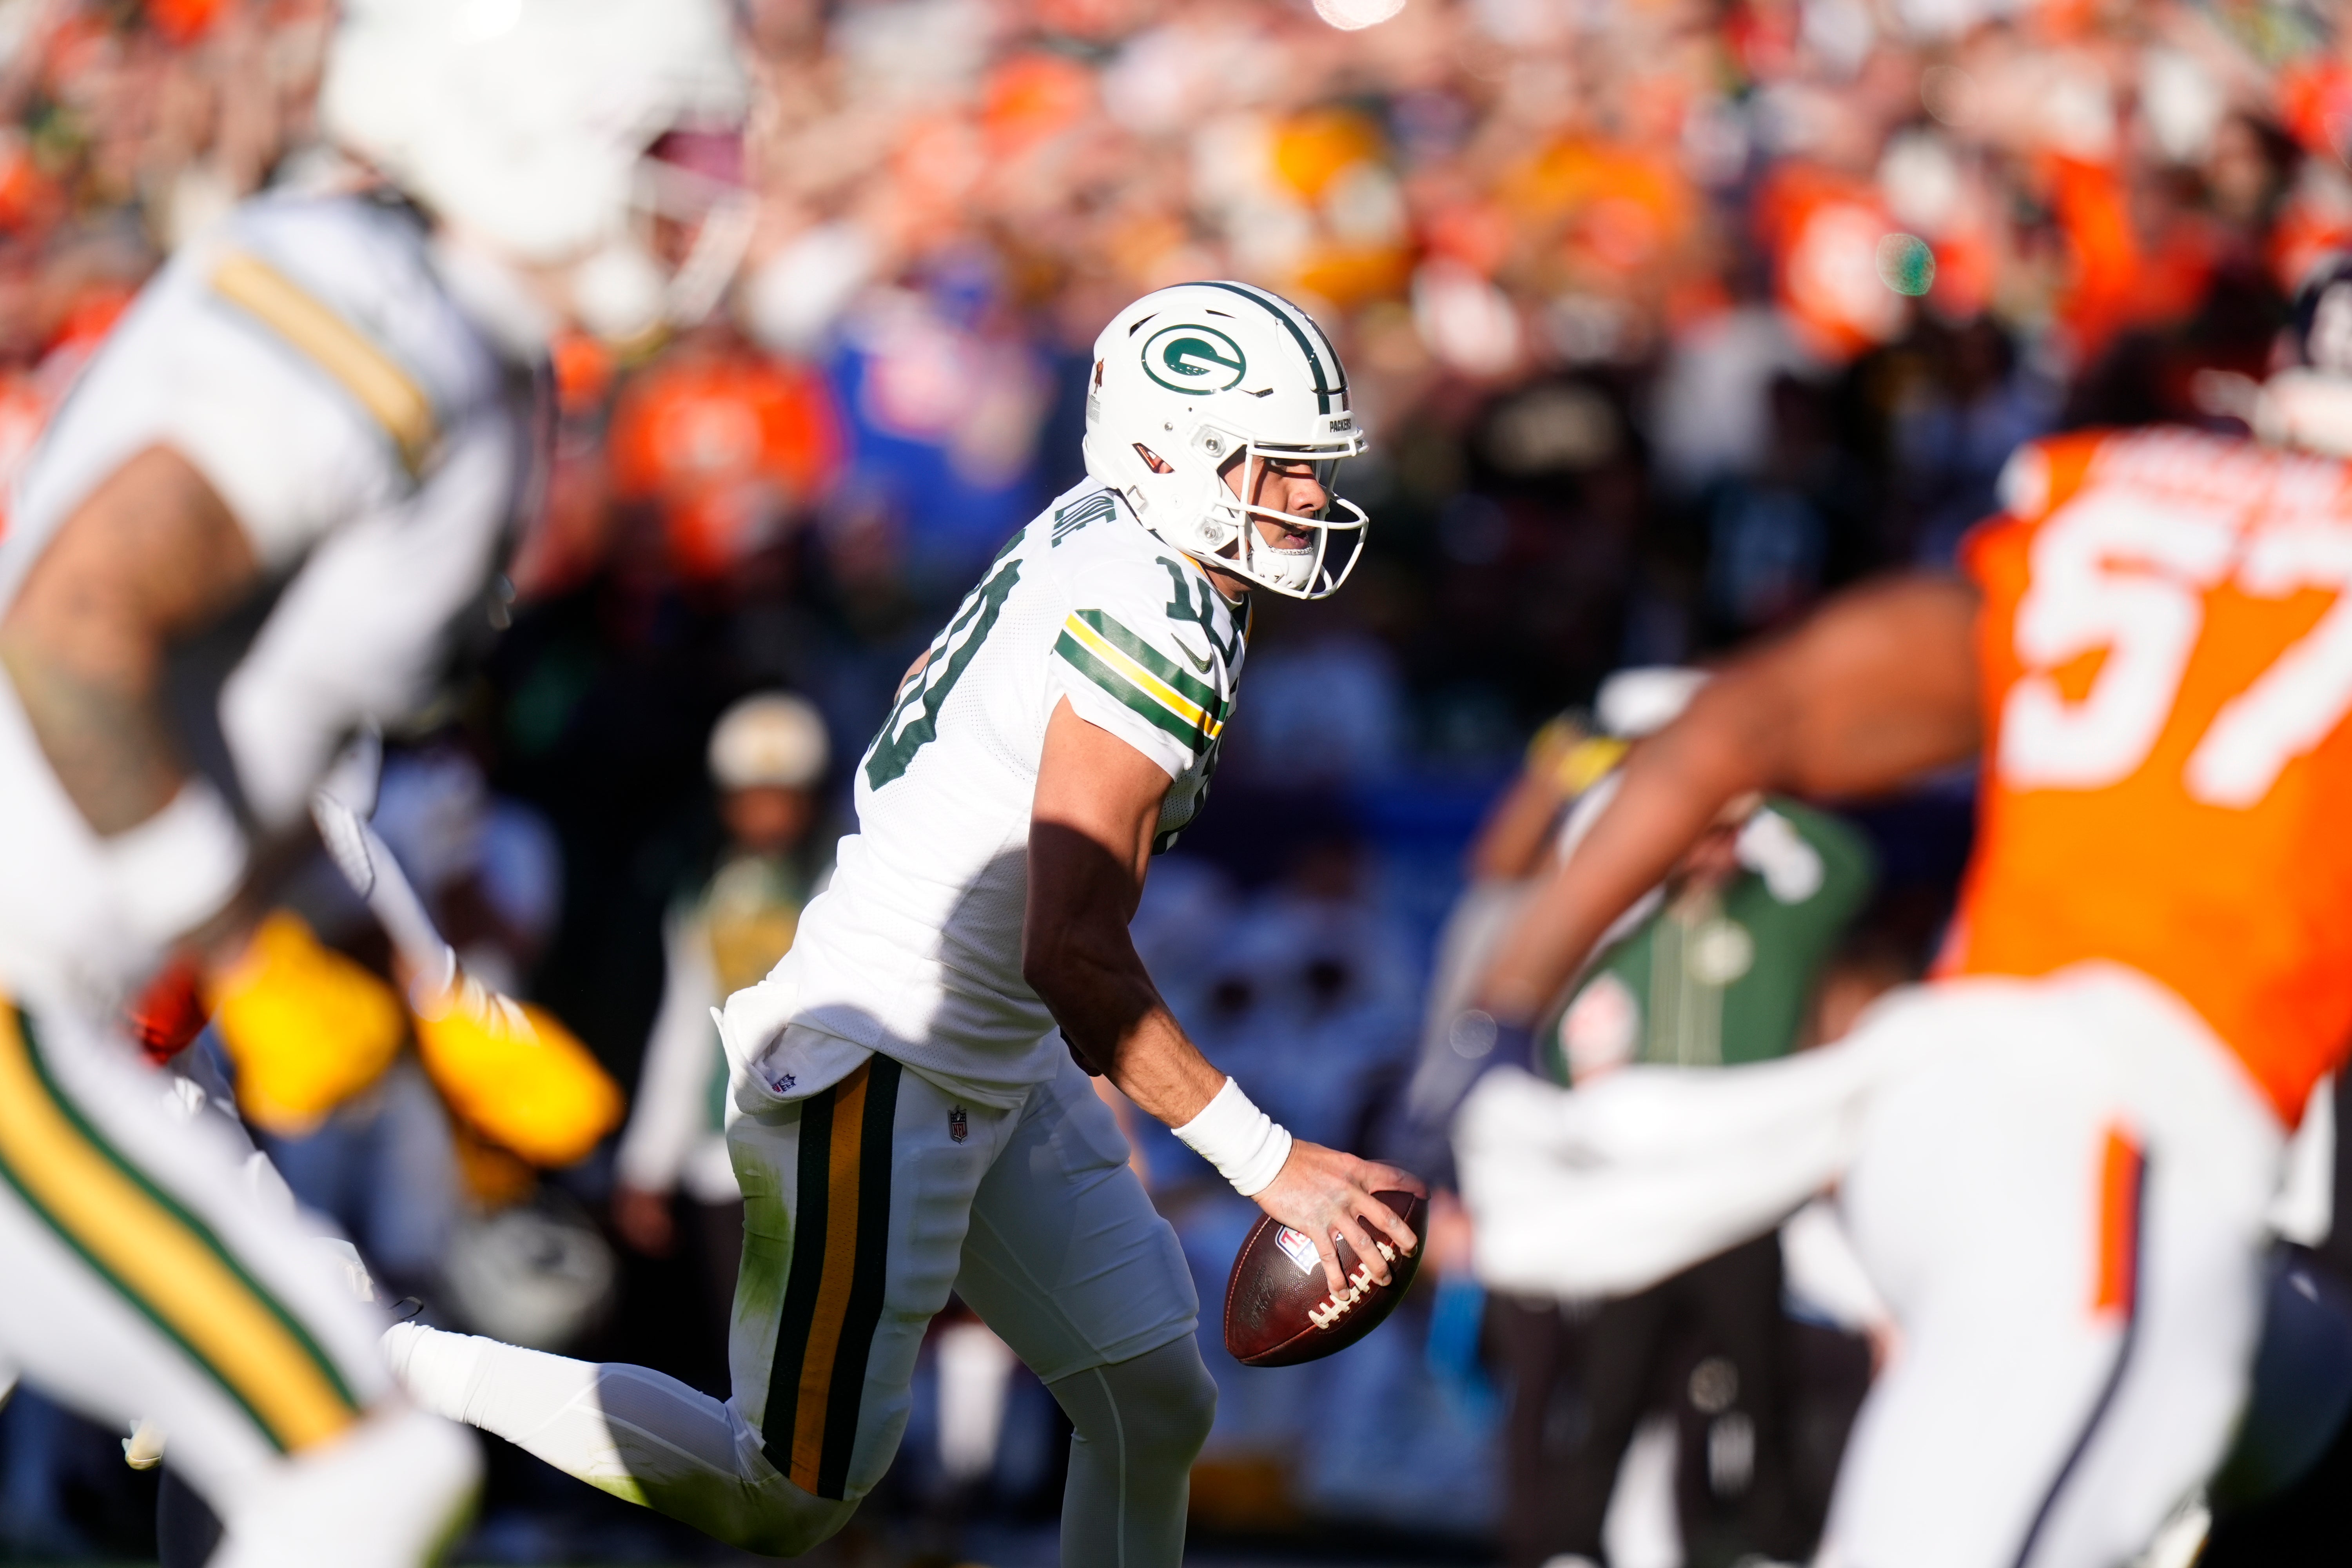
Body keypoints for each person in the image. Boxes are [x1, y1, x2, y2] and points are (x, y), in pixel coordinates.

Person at [382, 280, 1423, 1565]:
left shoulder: (1116, 532)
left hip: (984, 1041)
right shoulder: (1151, 614)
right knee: (786, 1496)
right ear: (1171, 456)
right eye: (1277, 465)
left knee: (1151, 1401)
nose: (1309, 499)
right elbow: (1072, 951)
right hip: (887, 1063)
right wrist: (1270, 1162)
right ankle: (391, 1356)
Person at [1450, 258, 2352, 1568]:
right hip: (2122, 1158)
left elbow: (1745, 722)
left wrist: (1495, 1012)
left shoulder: (2116, 506)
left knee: (2298, 1396)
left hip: (1966, 1111)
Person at [0, 0, 750, 1560]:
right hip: (29, 1000)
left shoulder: (459, 336)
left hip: (79, 999)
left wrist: (404, 1003)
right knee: (364, 1465)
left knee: (307, 1427)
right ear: (529, 121)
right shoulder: (376, 311)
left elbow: (263, 744)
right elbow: (74, 635)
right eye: (668, 144)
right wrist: (245, 944)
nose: (702, 192)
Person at [613, 692, 831, 1343]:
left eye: (784, 795)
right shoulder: (703, 897)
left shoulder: (844, 885)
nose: (768, 815)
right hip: (722, 1151)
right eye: (751, 796)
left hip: (819, 1147)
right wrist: (648, 1161)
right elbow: (686, 1028)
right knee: (747, 1341)